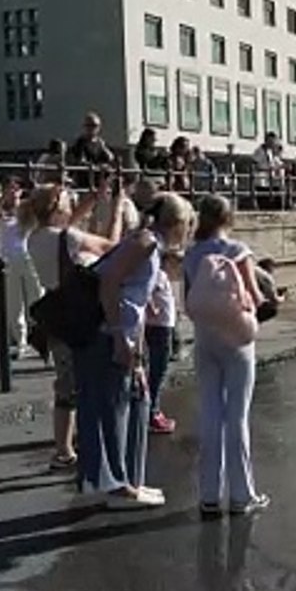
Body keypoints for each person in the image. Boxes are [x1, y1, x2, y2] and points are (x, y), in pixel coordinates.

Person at [73, 192, 193, 509]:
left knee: (129, 402)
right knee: (113, 408)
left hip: (118, 333)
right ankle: (115, 486)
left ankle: (121, 481)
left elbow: (133, 299)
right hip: (106, 334)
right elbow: (109, 284)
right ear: (178, 223)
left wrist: (135, 348)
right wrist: (119, 337)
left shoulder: (147, 243)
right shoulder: (145, 243)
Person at [22, 182, 123, 471]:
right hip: (82, 313)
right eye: (69, 199)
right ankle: (79, 445)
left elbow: (66, 227)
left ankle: (65, 448)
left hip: (58, 314)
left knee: (65, 380)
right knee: (88, 379)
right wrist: (115, 211)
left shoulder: (35, 236)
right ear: (58, 208)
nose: (73, 202)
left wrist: (93, 198)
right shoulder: (68, 238)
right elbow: (110, 248)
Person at [185, 195, 270, 517]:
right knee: (237, 416)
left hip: (205, 338)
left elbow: (189, 302)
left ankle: (208, 495)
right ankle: (241, 495)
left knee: (210, 412)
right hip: (237, 340)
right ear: (228, 218)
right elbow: (254, 297)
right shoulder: (237, 251)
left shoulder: (193, 255)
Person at [0, 180, 42, 359]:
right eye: (10, 188)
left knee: (37, 298)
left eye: (16, 189)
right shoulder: (1, 212)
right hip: (8, 261)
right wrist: (2, 198)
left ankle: (43, 339)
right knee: (14, 304)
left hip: (29, 258)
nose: (13, 192)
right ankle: (21, 343)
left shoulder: (27, 209)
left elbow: (39, 215)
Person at [144, 251, 180, 434]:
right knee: (158, 370)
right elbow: (146, 290)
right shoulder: (157, 273)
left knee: (157, 368)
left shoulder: (160, 274)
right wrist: (152, 308)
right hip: (159, 326)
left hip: (161, 325)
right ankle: (152, 412)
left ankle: (151, 410)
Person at [251, 133, 284, 209]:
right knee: (263, 200)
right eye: (272, 141)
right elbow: (254, 165)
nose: (273, 143)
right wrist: (267, 169)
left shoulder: (270, 152)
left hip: (270, 181)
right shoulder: (259, 151)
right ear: (267, 140)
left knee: (275, 199)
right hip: (261, 181)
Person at [254, 257, 285, 323]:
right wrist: (283, 297)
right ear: (270, 268)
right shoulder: (266, 277)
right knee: (272, 309)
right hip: (252, 307)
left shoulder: (252, 270)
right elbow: (275, 300)